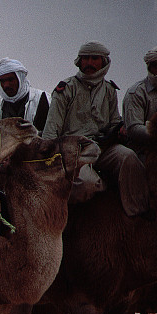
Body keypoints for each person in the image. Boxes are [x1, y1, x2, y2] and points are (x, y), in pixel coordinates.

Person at [44, 41, 150, 218]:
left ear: (104, 62)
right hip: (76, 152)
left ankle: (137, 214)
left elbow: (114, 121)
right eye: (85, 58)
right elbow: (50, 131)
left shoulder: (109, 90)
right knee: (89, 184)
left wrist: (120, 127)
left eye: (95, 59)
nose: (89, 64)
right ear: (79, 61)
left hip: (103, 147)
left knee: (129, 158)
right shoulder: (66, 88)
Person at [0, 58, 49, 134]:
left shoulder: (42, 98)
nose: (6, 85)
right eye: (2, 81)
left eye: (10, 80)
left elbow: (52, 131)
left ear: (20, 78)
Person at [122, 46, 157, 158]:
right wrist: (154, 132)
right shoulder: (137, 92)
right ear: (149, 67)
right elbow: (133, 129)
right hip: (143, 151)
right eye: (156, 65)